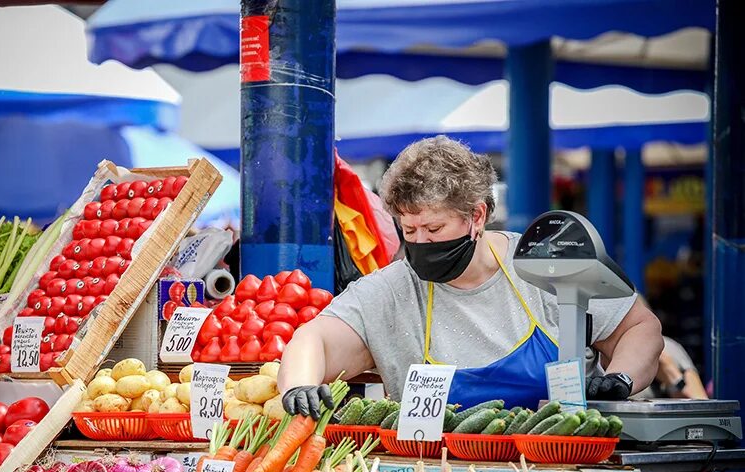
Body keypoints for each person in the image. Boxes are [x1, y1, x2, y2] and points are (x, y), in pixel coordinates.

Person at [278, 136, 664, 418]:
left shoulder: (543, 264)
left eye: (434, 228)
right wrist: (298, 385)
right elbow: (315, 338)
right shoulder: (393, 290)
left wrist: (621, 378)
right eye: (408, 231)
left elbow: (639, 327)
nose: (420, 243)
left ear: (476, 216)